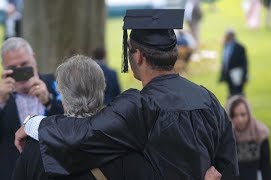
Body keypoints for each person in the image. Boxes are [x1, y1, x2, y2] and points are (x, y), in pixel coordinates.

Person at [15, 9, 239, 179]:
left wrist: (33, 124)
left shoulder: (139, 106)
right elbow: (228, 167)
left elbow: (84, 132)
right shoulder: (208, 100)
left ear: (138, 56)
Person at [12, 55, 222, 180]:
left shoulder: (34, 150)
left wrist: (32, 123)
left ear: (62, 94)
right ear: (102, 89)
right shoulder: (127, 148)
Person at [0, 37, 63, 180]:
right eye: (13, 69)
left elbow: (75, 128)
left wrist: (49, 102)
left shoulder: (58, 85)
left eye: (24, 64)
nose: (20, 72)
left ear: (33, 58)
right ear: (4, 68)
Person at [225, 95, 271, 180]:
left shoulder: (260, 133)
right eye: (235, 115)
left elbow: (266, 165)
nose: (240, 119)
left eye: (243, 114)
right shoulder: (226, 136)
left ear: (249, 113)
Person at [219, 29, 248, 97]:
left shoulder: (240, 47)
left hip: (237, 74)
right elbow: (225, 60)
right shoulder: (226, 46)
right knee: (231, 93)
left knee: (238, 93)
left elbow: (244, 63)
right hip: (228, 74)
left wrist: (244, 75)